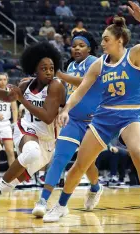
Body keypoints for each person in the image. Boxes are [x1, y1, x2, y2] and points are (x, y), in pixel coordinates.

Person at [44, 3, 140, 230]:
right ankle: (61, 205)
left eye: (105, 39)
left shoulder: (134, 55)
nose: (101, 43)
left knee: (137, 151)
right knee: (80, 165)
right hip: (103, 117)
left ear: (119, 40)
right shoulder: (99, 64)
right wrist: (65, 110)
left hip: (131, 115)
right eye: (102, 40)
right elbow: (80, 90)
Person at [0, 42, 66, 224]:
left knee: (9, 184)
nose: (49, 72)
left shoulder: (56, 86)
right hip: (25, 130)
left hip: (48, 143)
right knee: (31, 151)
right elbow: (9, 96)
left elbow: (48, 117)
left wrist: (21, 99)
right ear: (35, 69)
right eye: (44, 68)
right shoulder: (26, 83)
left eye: (51, 68)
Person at [32, 31, 102, 217]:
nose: (76, 48)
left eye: (81, 45)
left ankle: (95, 188)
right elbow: (68, 91)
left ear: (89, 48)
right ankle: (43, 200)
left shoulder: (95, 62)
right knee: (59, 159)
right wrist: (60, 109)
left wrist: (60, 75)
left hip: (94, 122)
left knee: (86, 164)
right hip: (74, 120)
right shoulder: (71, 65)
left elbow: (85, 82)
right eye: (74, 45)